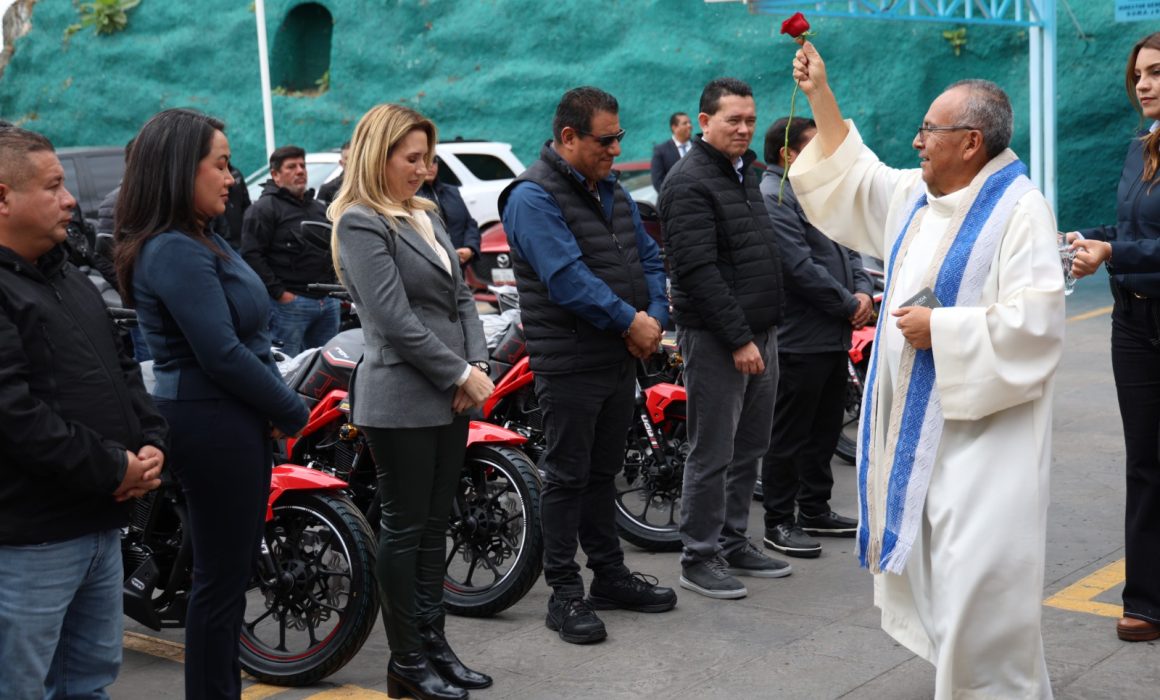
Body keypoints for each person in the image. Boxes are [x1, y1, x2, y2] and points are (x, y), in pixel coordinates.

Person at [788, 42, 1065, 697]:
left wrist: (941, 328)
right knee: (948, 585)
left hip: (985, 447)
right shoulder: (918, 195)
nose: (916, 141)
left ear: (971, 142)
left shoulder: (1020, 210)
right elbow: (856, 177)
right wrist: (821, 94)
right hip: (919, 446)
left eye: (929, 131)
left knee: (981, 589)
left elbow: (1039, 324)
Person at [115, 108, 309, 699]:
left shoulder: (202, 238)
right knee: (220, 587)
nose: (232, 177)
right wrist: (293, 410)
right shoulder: (173, 249)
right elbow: (221, 353)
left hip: (228, 419)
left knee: (221, 582)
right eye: (220, 164)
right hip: (212, 422)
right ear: (180, 169)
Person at [330, 104, 495, 700]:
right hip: (399, 395)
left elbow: (462, 299)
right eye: (413, 158)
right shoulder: (359, 220)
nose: (425, 170)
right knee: (404, 529)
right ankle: (406, 661)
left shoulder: (424, 213)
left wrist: (475, 366)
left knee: (431, 529)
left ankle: (435, 646)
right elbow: (393, 320)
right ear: (380, 155)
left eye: (428, 157)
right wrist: (458, 371)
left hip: (451, 394)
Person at [501, 86, 676, 645]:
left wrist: (653, 315)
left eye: (619, 137)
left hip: (618, 356)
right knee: (568, 477)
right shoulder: (532, 196)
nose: (614, 149)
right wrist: (632, 322)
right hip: (572, 362)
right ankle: (564, 593)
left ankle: (609, 576)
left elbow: (650, 258)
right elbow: (565, 278)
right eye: (606, 140)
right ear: (569, 137)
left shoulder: (612, 190)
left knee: (604, 474)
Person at [0, 126, 166, 699]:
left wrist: (149, 441)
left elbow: (121, 368)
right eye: (52, 187)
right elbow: (14, 416)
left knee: (89, 682)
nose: (70, 199)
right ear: (2, 198)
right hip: (30, 541)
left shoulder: (66, 274)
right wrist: (112, 468)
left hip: (97, 525)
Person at [658, 77, 790, 600]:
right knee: (711, 449)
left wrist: (763, 328)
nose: (743, 128)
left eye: (750, 120)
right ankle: (698, 555)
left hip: (761, 332)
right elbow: (697, 272)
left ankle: (734, 541)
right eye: (733, 120)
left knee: (750, 445)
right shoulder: (689, 182)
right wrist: (738, 338)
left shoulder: (743, 174)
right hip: (719, 338)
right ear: (704, 121)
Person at [1066, 31, 1160, 644]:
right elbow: (1131, 224)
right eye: (1139, 75)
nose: (1143, 84)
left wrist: (1114, 251)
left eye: (1155, 72)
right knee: (1145, 465)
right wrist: (1086, 238)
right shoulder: (1139, 148)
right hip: (1133, 322)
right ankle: (1147, 601)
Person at [759, 117, 873, 558]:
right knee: (789, 434)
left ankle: (814, 508)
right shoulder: (775, 198)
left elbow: (851, 246)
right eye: (815, 148)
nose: (826, 155)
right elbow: (798, 267)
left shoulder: (816, 192)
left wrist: (863, 290)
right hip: (798, 337)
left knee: (824, 428)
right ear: (788, 154)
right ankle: (778, 521)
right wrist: (849, 303)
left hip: (830, 333)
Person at [241, 144, 338, 356]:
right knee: (288, 368)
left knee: (328, 367)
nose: (300, 171)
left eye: (302, 165)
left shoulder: (318, 208)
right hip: (290, 306)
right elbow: (251, 256)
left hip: (328, 303)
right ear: (275, 175)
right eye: (291, 167)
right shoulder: (262, 210)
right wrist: (281, 294)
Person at [417, 155, 481, 267]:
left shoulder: (452, 192)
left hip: (459, 265)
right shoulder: (411, 197)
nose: (430, 165)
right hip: (432, 266)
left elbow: (469, 223)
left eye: (434, 160)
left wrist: (470, 248)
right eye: (425, 160)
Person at [650, 111, 692, 191]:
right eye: (685, 123)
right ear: (674, 127)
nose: (689, 126)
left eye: (689, 122)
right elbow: (658, 182)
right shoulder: (661, 151)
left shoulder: (698, 146)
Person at [316, 140, 349, 205]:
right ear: (341, 163)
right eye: (347, 158)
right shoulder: (327, 190)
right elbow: (320, 214)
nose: (352, 162)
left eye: (355, 158)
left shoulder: (370, 186)